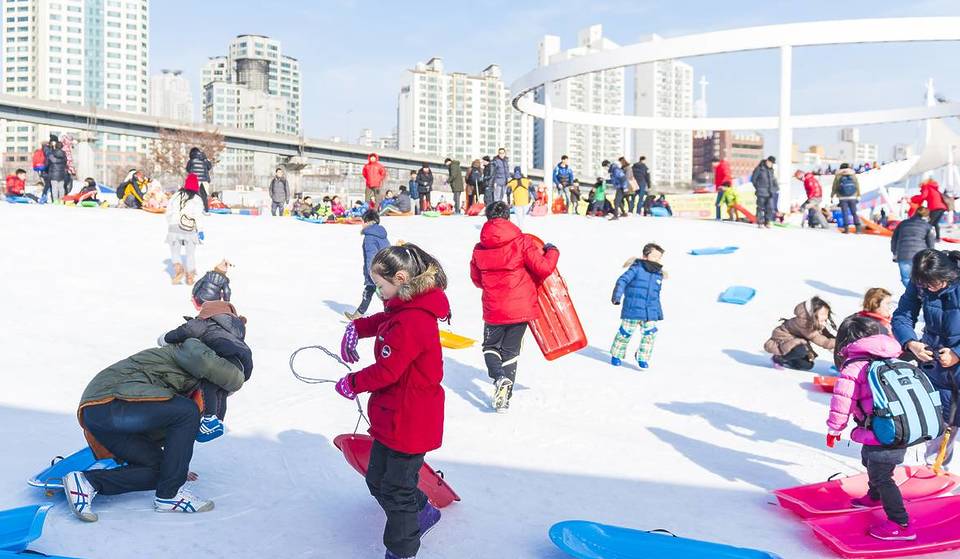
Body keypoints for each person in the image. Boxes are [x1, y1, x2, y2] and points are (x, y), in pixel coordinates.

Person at [335, 244, 449, 559]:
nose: (379, 293)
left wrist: (353, 382)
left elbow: (388, 370)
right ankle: (422, 511)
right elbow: (386, 319)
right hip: (393, 416)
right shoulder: (404, 306)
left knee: (396, 489)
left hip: (410, 420)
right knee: (378, 479)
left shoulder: (414, 320)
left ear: (400, 278)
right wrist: (357, 327)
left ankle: (402, 551)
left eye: (381, 286)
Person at [63, 337, 243, 522]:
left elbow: (163, 423)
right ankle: (170, 494)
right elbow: (222, 371)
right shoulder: (191, 348)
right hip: (108, 401)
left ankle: (87, 482)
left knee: (162, 471)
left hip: (109, 419)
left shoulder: (190, 380)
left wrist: (175, 467)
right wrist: (237, 376)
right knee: (187, 412)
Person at [826, 316, 915, 541]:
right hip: (898, 428)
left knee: (882, 475)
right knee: (870, 461)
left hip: (883, 431)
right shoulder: (894, 358)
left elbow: (843, 400)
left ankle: (900, 524)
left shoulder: (854, 366)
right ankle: (874, 496)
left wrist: (834, 428)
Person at [470, 202, 559, 412]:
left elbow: (476, 280)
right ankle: (504, 399)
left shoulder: (479, 248)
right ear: (507, 218)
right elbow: (544, 268)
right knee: (511, 351)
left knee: (491, 347)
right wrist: (552, 250)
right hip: (521, 307)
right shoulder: (522, 241)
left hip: (493, 308)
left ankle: (499, 378)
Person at [892, 249, 960, 468]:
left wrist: (957, 353)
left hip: (954, 360)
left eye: (934, 284)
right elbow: (902, 315)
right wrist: (911, 343)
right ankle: (936, 470)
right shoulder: (920, 284)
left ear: (947, 275)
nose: (929, 289)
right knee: (939, 422)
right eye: (925, 285)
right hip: (936, 365)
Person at [160, 301, 252, 443]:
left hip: (221, 363)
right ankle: (218, 422)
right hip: (238, 369)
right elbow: (247, 356)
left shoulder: (206, 322)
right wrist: (243, 377)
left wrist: (166, 338)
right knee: (221, 391)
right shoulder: (236, 333)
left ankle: (209, 418)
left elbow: (186, 331)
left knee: (208, 382)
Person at [610, 243, 665, 369]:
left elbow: (656, 295)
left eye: (659, 257)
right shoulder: (636, 268)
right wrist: (617, 296)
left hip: (650, 311)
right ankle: (616, 355)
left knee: (650, 334)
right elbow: (622, 281)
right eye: (655, 255)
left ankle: (642, 357)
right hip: (633, 308)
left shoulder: (658, 274)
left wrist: (658, 312)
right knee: (625, 333)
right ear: (645, 255)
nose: (657, 259)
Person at [764, 297, 837, 370]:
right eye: (822, 313)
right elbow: (822, 341)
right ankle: (779, 357)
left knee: (807, 365)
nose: (825, 316)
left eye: (826, 313)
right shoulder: (805, 324)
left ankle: (787, 360)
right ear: (812, 313)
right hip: (783, 338)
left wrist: (838, 339)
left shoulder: (815, 321)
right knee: (800, 350)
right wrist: (838, 343)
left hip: (796, 341)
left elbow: (826, 334)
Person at [345, 210, 391, 321]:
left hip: (376, 272)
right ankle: (358, 314)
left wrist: (372, 274)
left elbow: (371, 256)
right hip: (386, 268)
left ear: (367, 221)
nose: (362, 224)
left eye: (363, 221)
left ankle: (392, 315)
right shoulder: (381, 234)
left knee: (383, 295)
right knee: (370, 291)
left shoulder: (369, 237)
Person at [166, 174, 205, 285]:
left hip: (174, 227)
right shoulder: (197, 199)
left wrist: (171, 223)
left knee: (175, 252)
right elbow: (198, 216)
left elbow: (168, 211)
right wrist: (200, 230)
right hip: (190, 229)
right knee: (190, 253)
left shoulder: (176, 195)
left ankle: (178, 271)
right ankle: (190, 277)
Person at [891, 207, 936, 287]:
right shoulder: (927, 226)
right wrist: (931, 256)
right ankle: (919, 295)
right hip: (920, 256)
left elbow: (894, 239)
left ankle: (912, 295)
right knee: (921, 278)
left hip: (903, 254)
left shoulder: (903, 223)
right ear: (927, 216)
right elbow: (931, 243)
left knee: (906, 278)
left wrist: (894, 252)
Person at [832, 163, 862, 234]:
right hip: (853, 196)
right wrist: (858, 194)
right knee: (854, 212)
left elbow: (835, 186)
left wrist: (832, 195)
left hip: (842, 197)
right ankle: (858, 229)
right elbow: (857, 185)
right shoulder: (852, 174)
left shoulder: (838, 175)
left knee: (844, 213)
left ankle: (846, 229)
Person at [751, 156, 778, 228]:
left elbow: (773, 180)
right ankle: (760, 222)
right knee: (760, 207)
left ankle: (767, 222)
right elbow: (753, 179)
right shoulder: (759, 168)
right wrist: (758, 187)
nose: (771, 164)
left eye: (772, 163)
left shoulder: (771, 170)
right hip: (761, 192)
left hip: (770, 192)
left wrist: (776, 187)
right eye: (771, 163)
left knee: (770, 208)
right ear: (767, 161)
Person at [186, 147, 212, 212]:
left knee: (191, 195)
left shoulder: (191, 160)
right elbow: (209, 167)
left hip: (194, 180)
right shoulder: (204, 159)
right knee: (204, 196)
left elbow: (188, 169)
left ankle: (190, 210)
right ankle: (206, 210)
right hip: (204, 180)